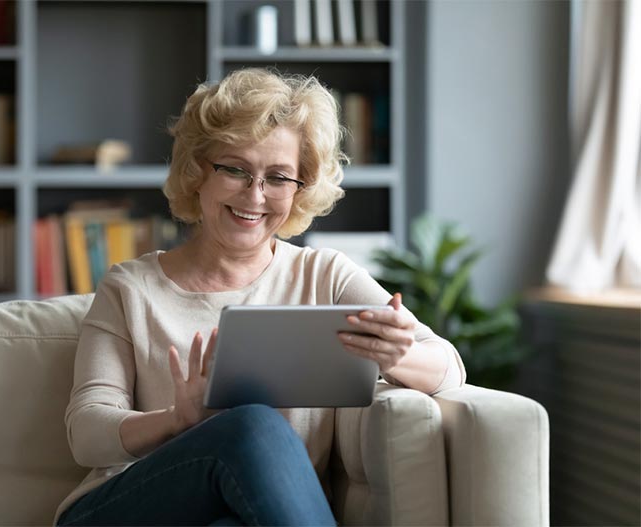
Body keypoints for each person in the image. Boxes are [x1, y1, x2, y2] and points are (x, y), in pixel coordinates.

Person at [55, 68, 465, 526]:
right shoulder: (130, 287)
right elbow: (87, 432)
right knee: (253, 425)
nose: (256, 195)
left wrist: (397, 355)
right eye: (235, 169)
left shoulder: (323, 276)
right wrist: (176, 420)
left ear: (300, 187)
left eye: (278, 177)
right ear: (197, 172)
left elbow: (448, 367)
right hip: (120, 511)